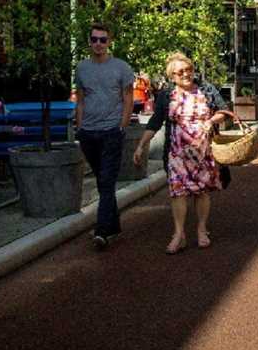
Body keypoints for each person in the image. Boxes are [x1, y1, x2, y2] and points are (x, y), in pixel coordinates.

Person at [133, 52, 228, 253]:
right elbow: (155, 122)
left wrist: (211, 121)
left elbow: (224, 111)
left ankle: (201, 230)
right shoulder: (167, 95)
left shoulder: (207, 89)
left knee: (202, 191)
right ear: (172, 76)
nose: (186, 74)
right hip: (176, 153)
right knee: (177, 192)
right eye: (180, 72)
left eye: (188, 70)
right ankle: (179, 234)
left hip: (204, 151)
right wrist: (142, 145)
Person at [74, 23, 134, 250]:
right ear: (89, 42)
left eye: (103, 39)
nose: (98, 43)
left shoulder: (121, 67)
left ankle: (102, 230)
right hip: (88, 132)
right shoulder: (81, 68)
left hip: (111, 131)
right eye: (94, 39)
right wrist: (79, 126)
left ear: (109, 42)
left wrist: (122, 125)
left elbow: (128, 98)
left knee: (107, 181)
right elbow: (80, 98)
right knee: (102, 180)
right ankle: (114, 224)